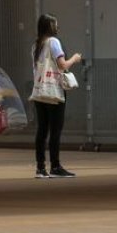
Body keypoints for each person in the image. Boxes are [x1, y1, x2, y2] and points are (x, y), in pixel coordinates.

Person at [29, 13, 82, 179]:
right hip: (54, 91)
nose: (58, 27)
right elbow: (62, 65)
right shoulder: (54, 42)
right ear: (50, 27)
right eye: (55, 24)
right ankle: (56, 166)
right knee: (55, 129)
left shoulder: (36, 45)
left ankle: (40, 167)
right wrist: (74, 58)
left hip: (39, 92)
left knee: (42, 129)